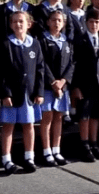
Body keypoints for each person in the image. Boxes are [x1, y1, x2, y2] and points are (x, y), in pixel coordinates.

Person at [0, 11, 44, 175]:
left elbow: (40, 69)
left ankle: (29, 157)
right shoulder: (5, 44)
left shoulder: (34, 44)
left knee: (29, 126)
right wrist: (5, 93)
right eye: (14, 21)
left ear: (29, 24)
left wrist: (39, 92)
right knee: (8, 126)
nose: (18, 24)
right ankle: (6, 159)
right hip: (12, 95)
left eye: (21, 21)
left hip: (28, 94)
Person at [72, 9, 99, 163]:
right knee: (84, 116)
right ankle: (85, 145)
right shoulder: (79, 40)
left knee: (95, 116)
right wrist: (75, 87)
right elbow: (74, 65)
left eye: (97, 22)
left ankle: (94, 144)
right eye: (91, 22)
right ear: (86, 22)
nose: (94, 25)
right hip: (84, 85)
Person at [37, 10, 74, 166]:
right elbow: (41, 63)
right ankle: (46, 151)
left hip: (62, 87)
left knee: (59, 118)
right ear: (48, 22)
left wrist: (63, 81)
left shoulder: (67, 42)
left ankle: (56, 149)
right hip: (48, 86)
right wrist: (53, 82)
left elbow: (72, 64)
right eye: (54, 20)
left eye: (60, 20)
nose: (57, 23)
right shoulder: (42, 40)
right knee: (47, 118)